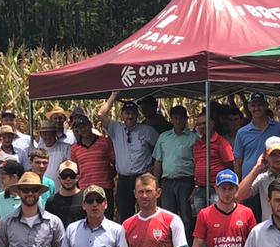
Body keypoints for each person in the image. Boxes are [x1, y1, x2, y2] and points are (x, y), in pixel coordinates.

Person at [98, 93, 159, 222]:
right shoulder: (115, 128)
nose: (130, 116)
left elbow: (160, 150)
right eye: (127, 113)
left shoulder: (147, 130)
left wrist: (154, 168)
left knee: (148, 212)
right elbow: (101, 115)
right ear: (122, 115)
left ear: (137, 115)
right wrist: (114, 95)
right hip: (124, 180)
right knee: (125, 215)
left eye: (133, 113)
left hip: (143, 178)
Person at [152, 105, 198, 237]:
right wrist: (156, 183)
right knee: (167, 216)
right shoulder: (164, 137)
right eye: (175, 118)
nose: (178, 121)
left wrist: (196, 183)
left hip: (186, 182)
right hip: (167, 182)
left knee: (186, 217)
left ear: (186, 119)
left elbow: (197, 162)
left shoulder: (193, 138)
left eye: (181, 118)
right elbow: (158, 161)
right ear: (171, 119)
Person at [191, 107, 236, 218]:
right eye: (199, 124)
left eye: (205, 123)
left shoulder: (222, 143)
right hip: (200, 188)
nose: (202, 126)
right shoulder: (197, 144)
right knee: (201, 218)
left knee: (218, 217)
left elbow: (230, 165)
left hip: (217, 188)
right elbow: (196, 165)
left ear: (212, 124)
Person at [232, 91, 280, 176]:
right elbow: (238, 163)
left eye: (260, 105)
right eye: (253, 105)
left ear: (266, 106)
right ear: (249, 107)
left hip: (275, 181)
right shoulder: (242, 133)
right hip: (249, 181)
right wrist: (238, 186)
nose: (257, 108)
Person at [70, 111, 115, 193]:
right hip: (85, 189)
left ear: (90, 125)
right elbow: (76, 171)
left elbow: (115, 162)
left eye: (85, 126)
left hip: (105, 188)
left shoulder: (105, 142)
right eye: (80, 128)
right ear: (77, 131)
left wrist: (108, 177)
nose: (83, 129)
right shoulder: (74, 149)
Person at [46, 160, 84, 227]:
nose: (68, 179)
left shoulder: (86, 198)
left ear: (77, 177)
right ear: (59, 178)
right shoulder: (51, 201)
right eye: (64, 175)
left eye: (71, 175)